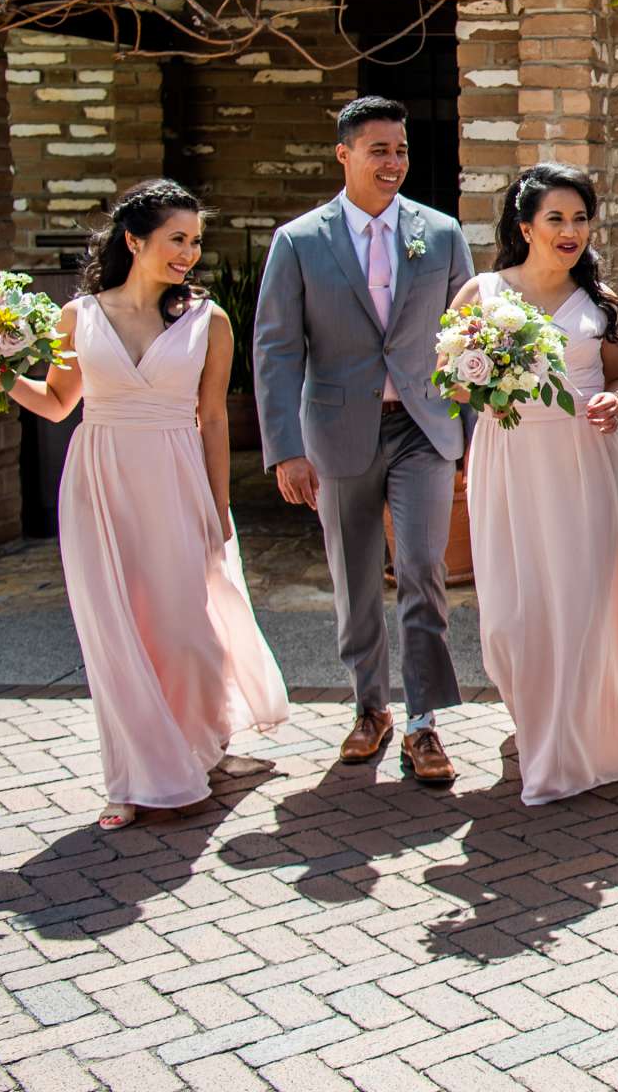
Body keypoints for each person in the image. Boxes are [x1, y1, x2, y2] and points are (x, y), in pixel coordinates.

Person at [0, 180, 288, 830]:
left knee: (185, 631)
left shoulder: (208, 321)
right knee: (117, 634)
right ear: (134, 240)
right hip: (100, 484)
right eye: (176, 239)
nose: (189, 253)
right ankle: (130, 778)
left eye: (194, 241)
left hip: (176, 478)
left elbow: (214, 421)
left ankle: (203, 748)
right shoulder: (78, 316)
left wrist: (218, 510)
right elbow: (55, 403)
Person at [253, 96, 474, 786]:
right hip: (337, 431)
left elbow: (473, 338)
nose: (393, 162)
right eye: (378, 150)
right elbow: (276, 348)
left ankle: (424, 722)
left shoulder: (439, 234)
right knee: (353, 575)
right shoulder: (299, 241)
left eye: (401, 150)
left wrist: (467, 436)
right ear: (343, 154)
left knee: (421, 569)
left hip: (423, 426)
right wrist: (285, 447)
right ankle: (369, 706)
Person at [455, 165, 618, 806]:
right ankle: (533, 717)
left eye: (580, 218)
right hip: (510, 464)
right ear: (525, 228)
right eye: (556, 218)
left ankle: (572, 738)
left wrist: (617, 400)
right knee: (511, 616)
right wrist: (486, 384)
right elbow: (451, 379)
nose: (571, 230)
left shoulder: (601, 302)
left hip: (586, 464)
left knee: (582, 604)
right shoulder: (483, 293)